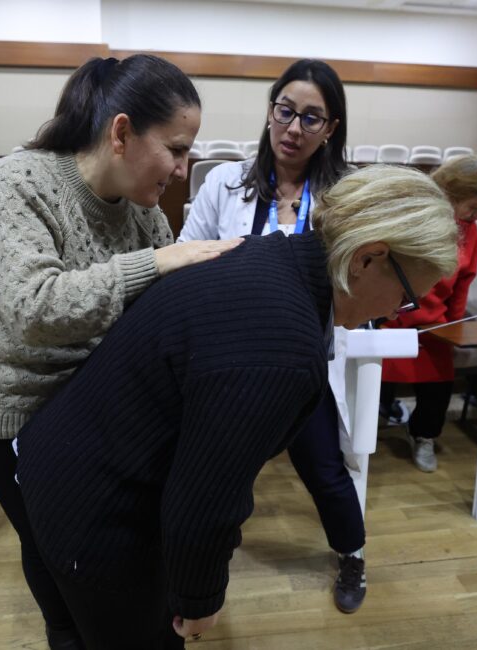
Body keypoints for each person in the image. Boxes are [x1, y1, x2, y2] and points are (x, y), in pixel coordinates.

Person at [15, 165, 460, 648]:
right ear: (368, 258)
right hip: (97, 513)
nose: (397, 312)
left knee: (71, 635)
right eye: (407, 294)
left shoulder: (271, 254)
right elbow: (205, 498)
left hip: (58, 465)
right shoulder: (284, 345)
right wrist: (200, 599)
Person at [0, 54, 240, 648]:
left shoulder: (143, 208)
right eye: (178, 149)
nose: (184, 170)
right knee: (71, 563)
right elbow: (35, 311)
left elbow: (159, 308)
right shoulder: (20, 182)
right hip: (12, 416)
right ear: (122, 132)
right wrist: (158, 262)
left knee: (67, 557)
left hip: (85, 413)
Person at [177, 59, 369, 613]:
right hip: (232, 359)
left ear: (331, 128)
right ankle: (200, 575)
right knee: (217, 473)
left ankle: (352, 554)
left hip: (305, 360)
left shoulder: (347, 194)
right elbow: (188, 257)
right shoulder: (224, 182)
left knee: (325, 469)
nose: (294, 129)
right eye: (285, 112)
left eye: (312, 119)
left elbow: (360, 282)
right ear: (269, 111)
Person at [379, 155, 477, 472]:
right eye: (475, 205)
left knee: (438, 388)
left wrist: (454, 326)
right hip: (390, 320)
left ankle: (424, 437)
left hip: (434, 325)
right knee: (374, 380)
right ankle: (368, 430)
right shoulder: (411, 214)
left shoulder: (470, 229)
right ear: (450, 194)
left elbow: (463, 281)